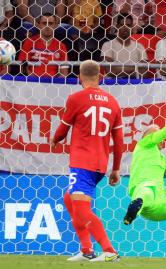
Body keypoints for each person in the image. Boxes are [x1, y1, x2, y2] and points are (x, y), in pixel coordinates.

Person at [50, 60, 124, 262]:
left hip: (82, 162)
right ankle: (86, 249)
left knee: (82, 211)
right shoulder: (112, 101)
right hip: (100, 164)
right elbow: (118, 140)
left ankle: (109, 251)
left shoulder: (76, 98)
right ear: (99, 76)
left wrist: (55, 140)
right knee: (69, 199)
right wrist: (115, 169)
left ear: (80, 77)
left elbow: (63, 129)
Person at [18, 13, 68, 77]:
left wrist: (55, 84)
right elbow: (23, 67)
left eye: (50, 23)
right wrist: (35, 82)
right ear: (39, 25)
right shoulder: (29, 42)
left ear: (55, 26)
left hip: (53, 84)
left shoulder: (61, 46)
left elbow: (63, 72)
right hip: (32, 83)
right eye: (44, 23)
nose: (47, 26)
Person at [101, 14, 147, 78]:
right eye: (122, 25)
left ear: (132, 27)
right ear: (117, 26)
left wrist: (120, 70)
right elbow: (111, 71)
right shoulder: (108, 45)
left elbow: (144, 71)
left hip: (134, 83)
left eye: (128, 25)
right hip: (113, 83)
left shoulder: (139, 46)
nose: (125, 28)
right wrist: (135, 69)